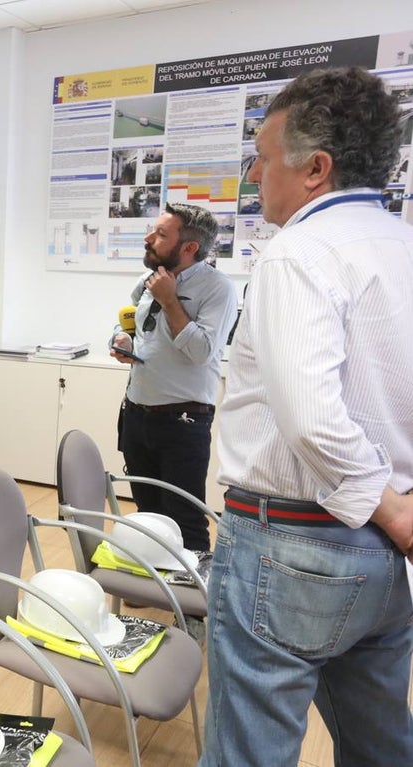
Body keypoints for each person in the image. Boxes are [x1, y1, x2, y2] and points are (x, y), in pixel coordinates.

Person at [203, 67, 413, 767]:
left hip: (296, 547)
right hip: (386, 568)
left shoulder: (298, 252)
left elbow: (312, 419)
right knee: (379, 741)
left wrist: (390, 510)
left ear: (315, 168)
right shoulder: (399, 243)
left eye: (263, 157)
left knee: (249, 750)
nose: (255, 173)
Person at [110, 203, 238, 552]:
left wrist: (170, 300)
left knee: (185, 519)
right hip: (137, 414)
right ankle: (152, 588)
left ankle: (193, 605)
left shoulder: (218, 290)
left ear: (189, 247)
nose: (148, 238)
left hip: (183, 422)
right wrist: (123, 341)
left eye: (161, 234)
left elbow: (202, 352)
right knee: (147, 514)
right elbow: (140, 331)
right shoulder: (147, 282)